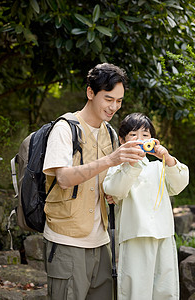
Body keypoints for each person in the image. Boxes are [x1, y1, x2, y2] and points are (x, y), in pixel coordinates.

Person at [42, 64, 146, 300]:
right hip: (67, 241)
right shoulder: (65, 129)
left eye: (119, 101)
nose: (114, 107)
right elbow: (64, 178)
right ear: (90, 93)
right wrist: (110, 159)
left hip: (101, 242)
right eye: (108, 99)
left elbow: (111, 181)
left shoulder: (110, 133)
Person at [103, 112, 189, 300]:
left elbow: (180, 183)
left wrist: (167, 157)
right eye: (133, 135)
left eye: (145, 135)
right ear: (122, 139)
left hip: (164, 234)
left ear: (153, 140)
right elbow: (114, 189)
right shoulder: (117, 167)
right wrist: (132, 164)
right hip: (135, 235)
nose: (140, 140)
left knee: (165, 289)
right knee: (135, 290)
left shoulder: (159, 166)